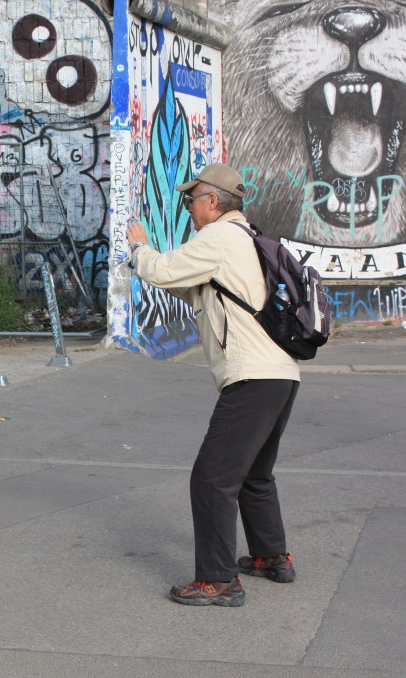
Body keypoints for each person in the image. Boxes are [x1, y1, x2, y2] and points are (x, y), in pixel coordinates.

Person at [127, 163, 300, 607]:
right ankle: (270, 556)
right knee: (254, 473)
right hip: (280, 374)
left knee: (212, 478)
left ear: (211, 201)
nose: (187, 207)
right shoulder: (248, 238)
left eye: (191, 199)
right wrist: (160, 270)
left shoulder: (219, 237)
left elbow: (162, 270)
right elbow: (203, 290)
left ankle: (218, 579)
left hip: (252, 376)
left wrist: (139, 248)